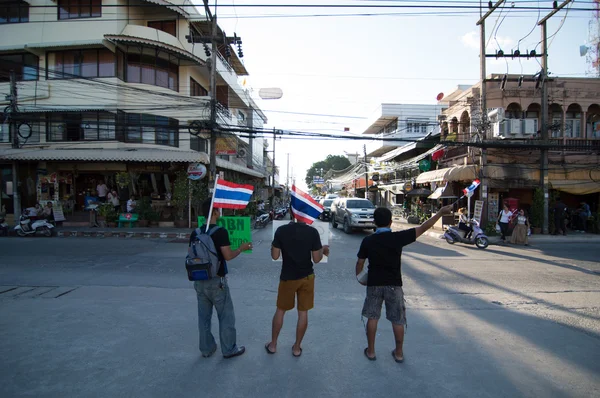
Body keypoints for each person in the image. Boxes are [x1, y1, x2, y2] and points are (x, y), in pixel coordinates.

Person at [355, 205, 453, 363]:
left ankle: (371, 351)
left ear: (374, 222)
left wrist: (360, 278)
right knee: (397, 319)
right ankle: (399, 353)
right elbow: (424, 227)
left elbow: (360, 262)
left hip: (374, 284)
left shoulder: (368, 241)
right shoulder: (398, 238)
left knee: (372, 317)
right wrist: (440, 212)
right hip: (394, 285)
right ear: (391, 222)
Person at [265, 207, 330, 357]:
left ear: (291, 212)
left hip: (287, 277)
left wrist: (273, 247)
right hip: (307, 277)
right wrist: (324, 251)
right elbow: (316, 259)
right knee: (303, 313)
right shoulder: (312, 232)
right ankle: (296, 348)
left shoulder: (281, 231)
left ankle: (273, 345)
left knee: (280, 310)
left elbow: (275, 256)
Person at [191, 200, 252, 359]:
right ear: (216, 212)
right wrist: (241, 248)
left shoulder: (195, 232)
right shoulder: (220, 232)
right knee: (225, 316)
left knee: (203, 317)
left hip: (199, 280)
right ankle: (229, 349)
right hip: (217, 281)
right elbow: (228, 256)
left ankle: (206, 349)